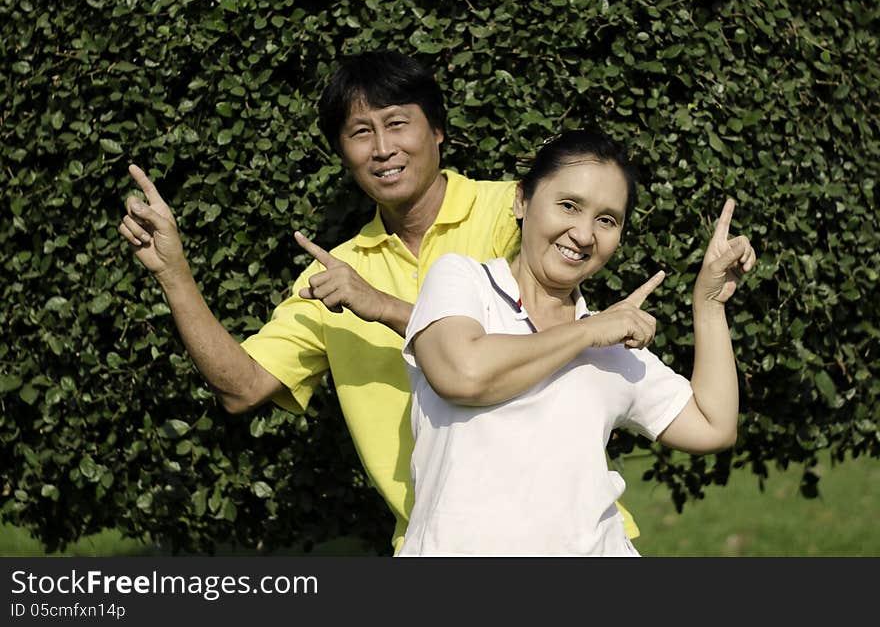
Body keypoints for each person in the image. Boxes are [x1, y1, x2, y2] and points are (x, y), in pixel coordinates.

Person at [117, 50, 640, 554]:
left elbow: (543, 341)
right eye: (360, 133)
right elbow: (243, 388)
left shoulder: (515, 212)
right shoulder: (336, 275)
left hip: (579, 536)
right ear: (343, 153)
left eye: (397, 123)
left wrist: (383, 307)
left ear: (437, 130)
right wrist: (174, 274)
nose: (382, 148)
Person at [398, 130, 756, 556]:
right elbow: (463, 373)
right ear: (521, 201)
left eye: (607, 220)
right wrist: (587, 332)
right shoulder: (463, 282)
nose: (584, 234)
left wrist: (709, 304)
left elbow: (713, 426)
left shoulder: (610, 342)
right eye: (569, 206)